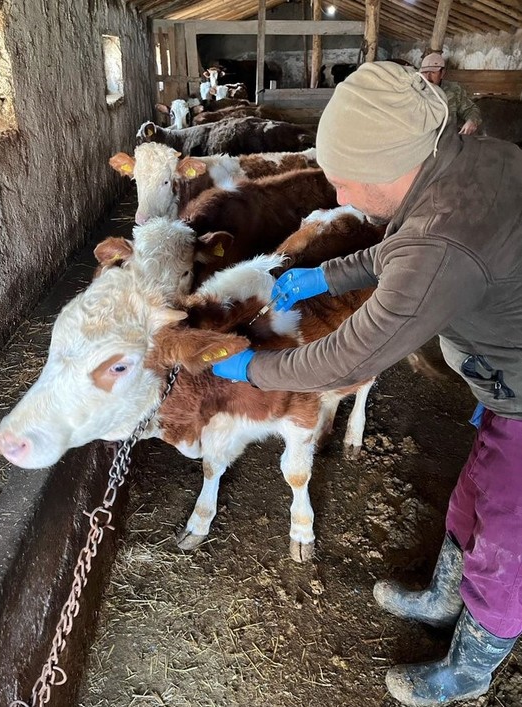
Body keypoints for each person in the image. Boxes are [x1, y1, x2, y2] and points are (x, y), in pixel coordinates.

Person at [211, 61, 522, 706]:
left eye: (342, 174)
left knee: (509, 536)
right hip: (505, 385)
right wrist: (327, 277)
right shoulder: (470, 161)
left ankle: (470, 669)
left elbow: (349, 359)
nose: (331, 184)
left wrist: (253, 368)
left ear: (388, 167)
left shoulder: (440, 243)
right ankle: (443, 598)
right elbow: (399, 246)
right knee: (473, 496)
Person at [420, 52, 482, 135]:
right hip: (421, 139)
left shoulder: (453, 90)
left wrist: (471, 121)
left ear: (442, 73)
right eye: (424, 72)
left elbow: (470, 109)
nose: (427, 77)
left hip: (447, 138)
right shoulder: (415, 89)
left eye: (433, 73)